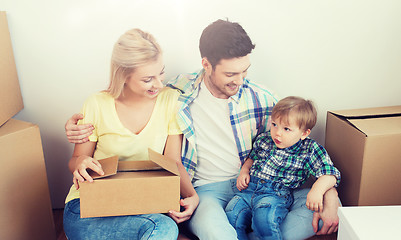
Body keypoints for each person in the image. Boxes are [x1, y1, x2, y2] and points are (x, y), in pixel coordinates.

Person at [65, 20, 341, 240]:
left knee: (315, 210)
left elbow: (304, 147)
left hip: (259, 186)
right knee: (212, 232)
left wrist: (331, 195)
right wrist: (75, 133)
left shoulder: (261, 98)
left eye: (244, 71)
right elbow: (113, 114)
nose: (240, 81)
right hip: (206, 190)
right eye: (231, 74)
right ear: (206, 64)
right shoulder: (177, 94)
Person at [63, 28, 199, 240]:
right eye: (147, 79)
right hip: (87, 208)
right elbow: (75, 160)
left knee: (162, 227)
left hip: (141, 206)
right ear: (123, 75)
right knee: (162, 229)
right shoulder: (97, 104)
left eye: (161, 72)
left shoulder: (170, 101)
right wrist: (80, 163)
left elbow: (173, 162)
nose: (158, 84)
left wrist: (192, 196)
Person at [225, 96, 341, 239]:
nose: (277, 132)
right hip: (248, 189)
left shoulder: (310, 149)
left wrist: (317, 190)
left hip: (275, 193)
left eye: (286, 129)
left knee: (263, 218)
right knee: (232, 214)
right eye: (274, 124)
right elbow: (252, 158)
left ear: (304, 133)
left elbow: (330, 174)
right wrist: (244, 171)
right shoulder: (264, 139)